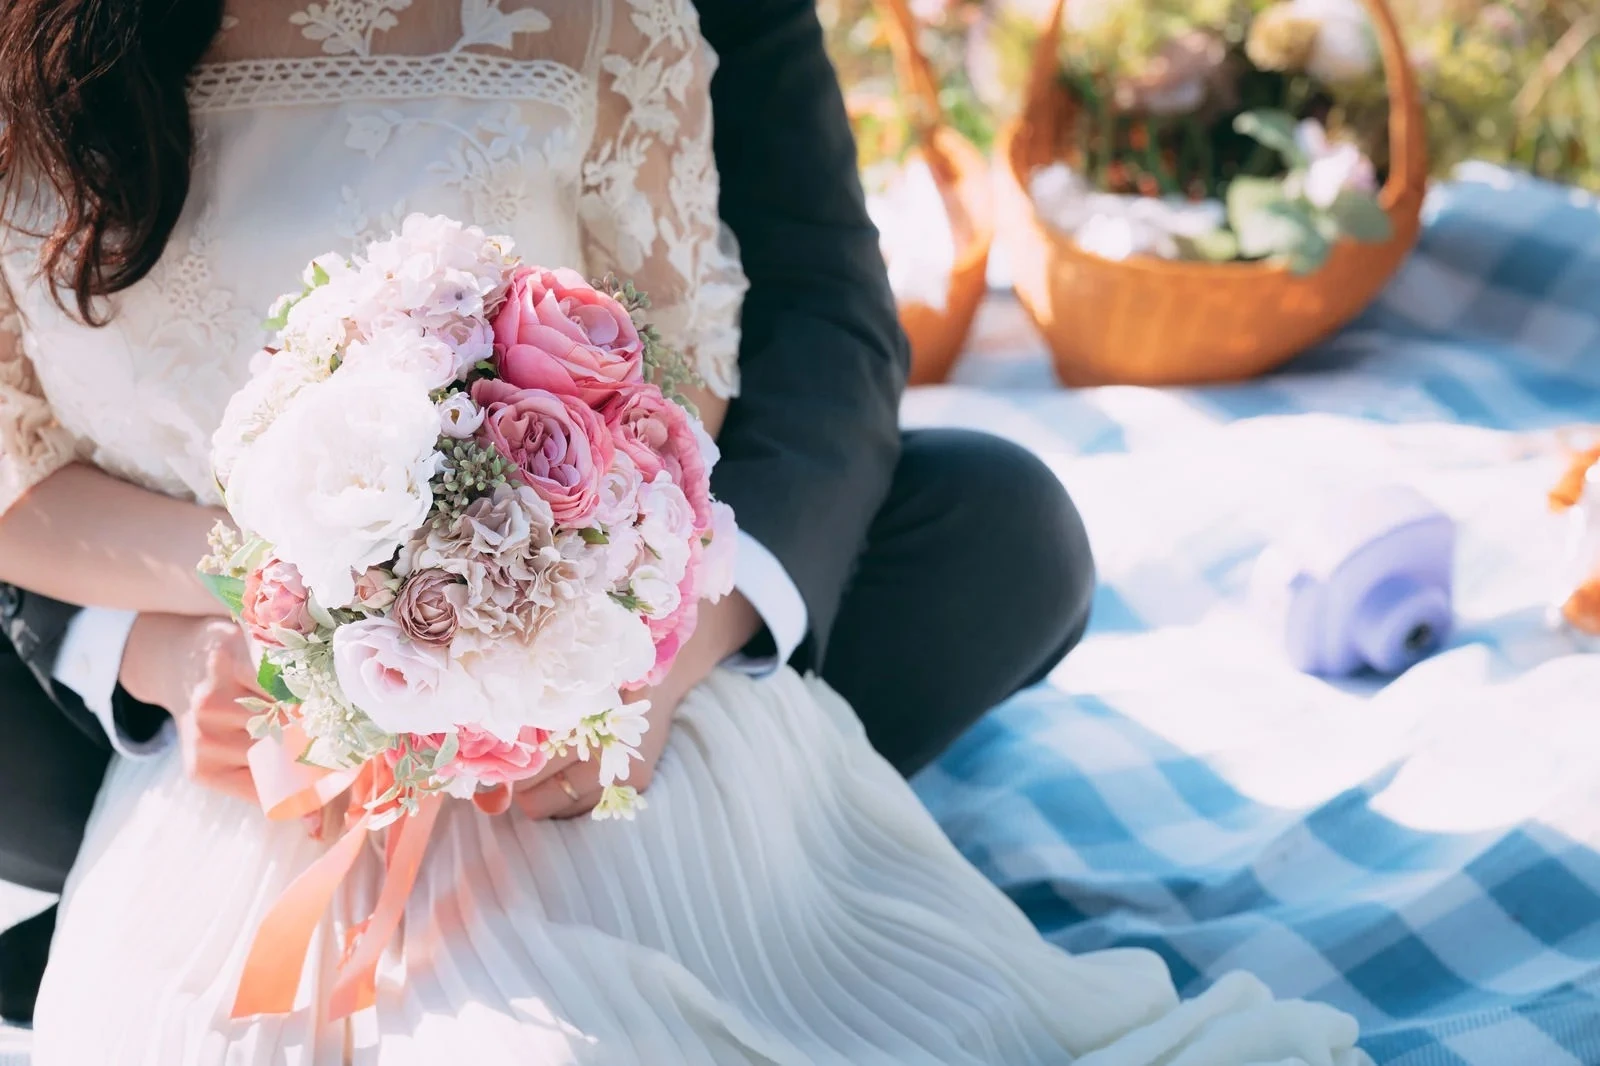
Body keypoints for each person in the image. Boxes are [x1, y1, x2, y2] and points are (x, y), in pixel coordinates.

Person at [0, 3, 1368, 1063]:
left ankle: (721, 822)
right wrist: (175, 647)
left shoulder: (610, 24)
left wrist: (647, 641)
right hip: (167, 647)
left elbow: (819, 316)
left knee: (1003, 529)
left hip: (603, 564)